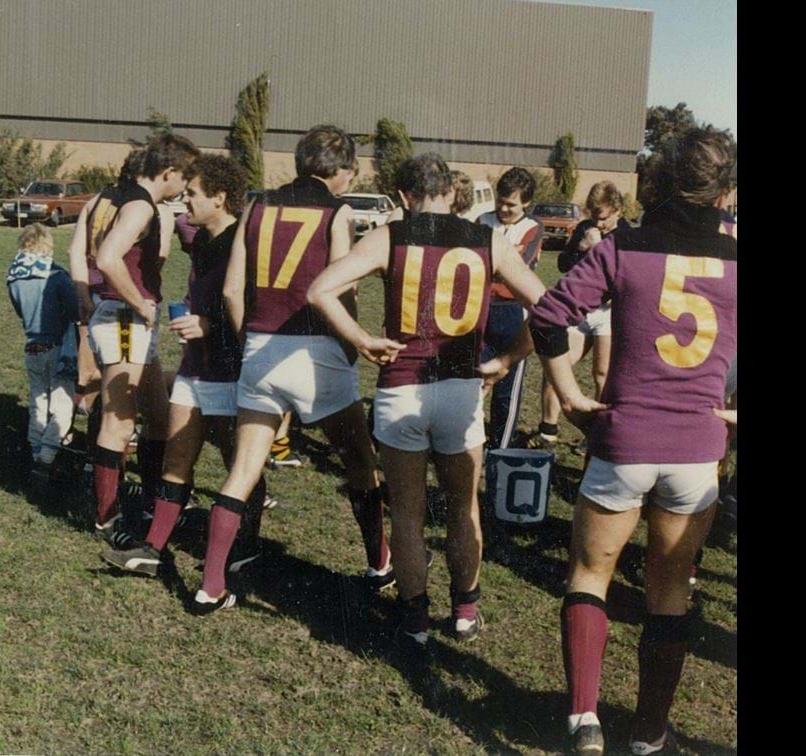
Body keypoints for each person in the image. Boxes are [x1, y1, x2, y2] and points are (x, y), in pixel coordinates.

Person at [528, 128, 737, 755]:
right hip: (696, 448)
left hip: (624, 440)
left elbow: (548, 315)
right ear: (726, 189)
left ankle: (585, 721)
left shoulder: (624, 246)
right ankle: (648, 734)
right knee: (670, 590)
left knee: (591, 573)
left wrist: (567, 394)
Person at [309, 153, 544, 655]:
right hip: (460, 389)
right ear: (449, 192)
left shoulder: (391, 234)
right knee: (464, 508)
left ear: (403, 197)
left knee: (409, 516)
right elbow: (550, 311)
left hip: (401, 387)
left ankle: (415, 616)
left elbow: (320, 289)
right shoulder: (487, 238)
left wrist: (362, 339)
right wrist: (504, 360)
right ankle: (464, 611)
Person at [191, 124, 390, 615]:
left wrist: (250, 341)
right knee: (360, 464)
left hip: (259, 348)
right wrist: (351, 345)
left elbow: (234, 292)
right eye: (349, 171)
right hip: (317, 349)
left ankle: (210, 586)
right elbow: (344, 289)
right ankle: (379, 562)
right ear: (337, 169)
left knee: (240, 472)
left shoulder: (257, 206)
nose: (349, 180)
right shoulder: (338, 211)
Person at [101, 155, 270, 576]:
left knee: (239, 464)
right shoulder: (201, 239)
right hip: (195, 367)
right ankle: (153, 548)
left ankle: (245, 546)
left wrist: (210, 324)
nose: (184, 202)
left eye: (192, 194)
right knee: (177, 456)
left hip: (230, 370)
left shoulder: (241, 241)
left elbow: (254, 309)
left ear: (221, 197)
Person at [68, 134, 199, 551]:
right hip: (125, 318)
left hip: (119, 315)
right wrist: (138, 302)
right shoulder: (141, 203)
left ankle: (150, 502)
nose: (185, 188)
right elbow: (107, 259)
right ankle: (107, 516)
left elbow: (80, 251)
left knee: (158, 416)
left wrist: (86, 299)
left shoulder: (106, 196)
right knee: (120, 421)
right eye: (184, 177)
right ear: (168, 172)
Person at [529, 181, 633, 452]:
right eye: (595, 216)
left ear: (617, 210)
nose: (599, 223)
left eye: (604, 217)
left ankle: (596, 435)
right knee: (557, 364)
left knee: (603, 375)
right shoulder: (586, 229)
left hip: (608, 314)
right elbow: (564, 264)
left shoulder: (628, 235)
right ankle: (548, 430)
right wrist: (583, 248)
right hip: (580, 311)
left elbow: (625, 277)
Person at [476, 167, 544, 451]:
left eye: (511, 205)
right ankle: (470, 444)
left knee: (507, 388)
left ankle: (499, 450)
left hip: (513, 311)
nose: (504, 208)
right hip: (481, 308)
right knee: (475, 379)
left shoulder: (532, 227)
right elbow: (475, 261)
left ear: (525, 203)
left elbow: (518, 268)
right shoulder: (483, 220)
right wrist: (504, 257)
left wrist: (497, 262)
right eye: (501, 201)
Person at [6, 224, 79, 478]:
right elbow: (74, 311)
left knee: (38, 402)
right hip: (57, 345)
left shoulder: (14, 276)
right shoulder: (56, 274)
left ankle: (36, 451)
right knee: (62, 404)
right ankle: (46, 460)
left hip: (32, 345)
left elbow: (19, 310)